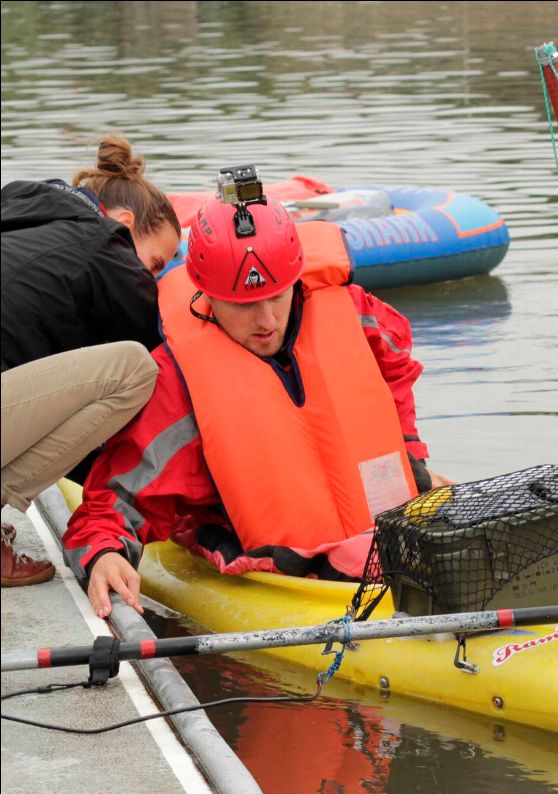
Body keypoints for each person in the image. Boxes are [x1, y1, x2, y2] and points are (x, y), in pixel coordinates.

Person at [63, 182, 448, 617]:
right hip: (281, 573)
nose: (266, 321)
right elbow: (113, 501)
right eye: (242, 305)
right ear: (207, 295)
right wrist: (104, 553)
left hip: (385, 541)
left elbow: (395, 373)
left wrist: (409, 455)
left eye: (276, 296)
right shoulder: (178, 379)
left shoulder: (356, 315)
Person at [1, 135, 181, 587]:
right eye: (155, 264)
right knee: (136, 370)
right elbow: (159, 379)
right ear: (123, 223)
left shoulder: (20, 206)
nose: (151, 279)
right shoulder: (108, 245)